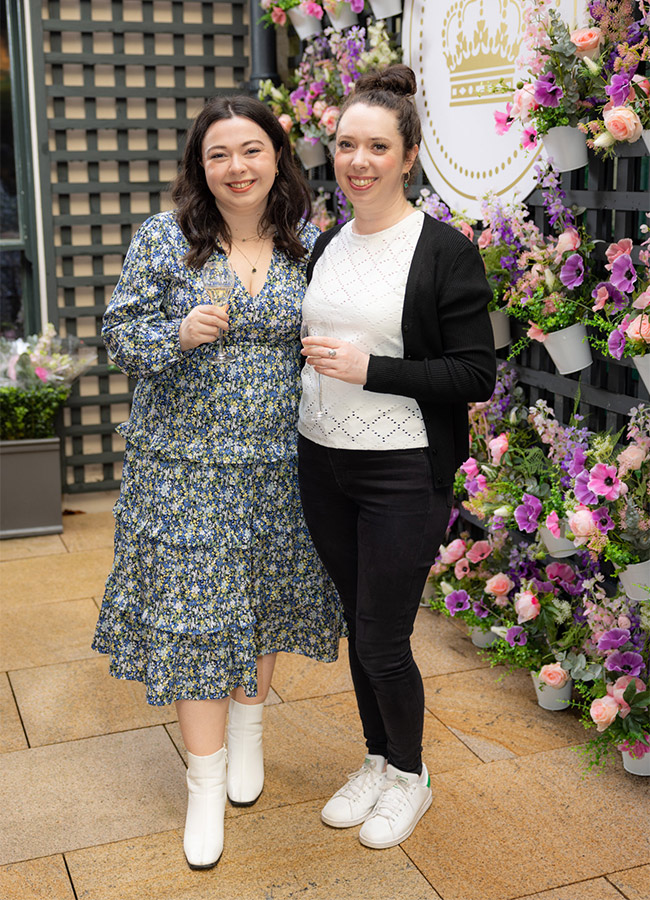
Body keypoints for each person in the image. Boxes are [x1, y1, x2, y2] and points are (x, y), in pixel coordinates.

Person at [92, 95, 345, 870]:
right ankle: (204, 785)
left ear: (278, 157)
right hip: (185, 468)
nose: (237, 168)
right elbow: (117, 332)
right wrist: (176, 331)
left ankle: (249, 732)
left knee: (264, 598)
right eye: (219, 155)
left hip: (281, 461)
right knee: (198, 620)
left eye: (251, 151)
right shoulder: (166, 240)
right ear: (200, 168)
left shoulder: (308, 245)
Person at [297, 64, 496, 850]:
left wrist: (370, 369)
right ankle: (377, 760)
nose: (359, 160)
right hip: (325, 463)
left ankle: (411, 779)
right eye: (347, 144)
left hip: (402, 470)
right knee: (359, 623)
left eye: (377, 146)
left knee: (383, 636)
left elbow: (475, 372)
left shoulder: (443, 251)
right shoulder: (327, 242)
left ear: (409, 155)